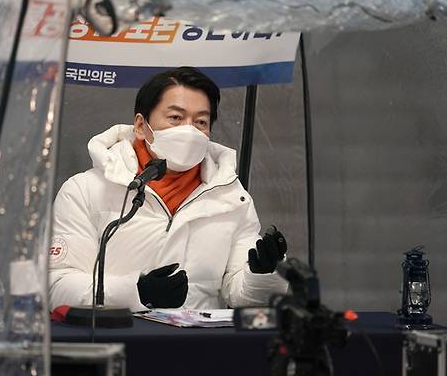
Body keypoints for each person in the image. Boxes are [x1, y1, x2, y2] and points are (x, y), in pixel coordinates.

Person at [49, 66, 288, 311]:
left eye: (201, 122)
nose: (189, 130)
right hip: (120, 334)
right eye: (175, 117)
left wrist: (263, 274)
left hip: (200, 336)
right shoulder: (85, 191)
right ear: (141, 125)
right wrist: (135, 293)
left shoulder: (233, 199)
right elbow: (57, 286)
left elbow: (242, 296)